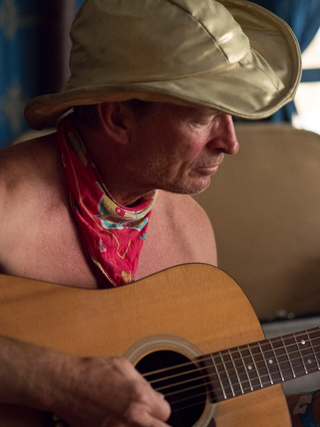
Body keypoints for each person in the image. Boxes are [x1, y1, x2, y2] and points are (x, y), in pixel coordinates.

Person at [0, 0, 316, 426]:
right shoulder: (7, 202)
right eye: (204, 117)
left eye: (230, 113)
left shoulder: (192, 234)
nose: (230, 142)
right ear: (119, 118)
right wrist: (62, 383)